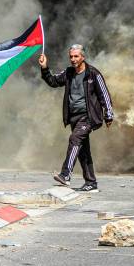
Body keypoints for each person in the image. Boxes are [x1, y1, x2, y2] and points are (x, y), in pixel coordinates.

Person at [39, 44, 114, 192]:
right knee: (83, 150)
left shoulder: (93, 74)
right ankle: (91, 183)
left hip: (88, 116)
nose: (73, 59)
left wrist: (108, 115)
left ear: (83, 57)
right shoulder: (68, 73)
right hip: (74, 117)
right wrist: (44, 68)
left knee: (75, 139)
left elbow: (104, 94)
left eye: (76, 56)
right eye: (71, 57)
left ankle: (66, 174)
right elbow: (53, 82)